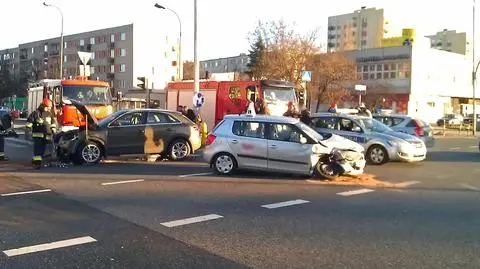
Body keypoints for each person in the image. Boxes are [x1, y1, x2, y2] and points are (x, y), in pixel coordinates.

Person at [26, 99, 57, 168]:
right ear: (44, 106)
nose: (50, 108)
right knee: (38, 149)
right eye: (49, 107)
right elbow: (29, 122)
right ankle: (37, 163)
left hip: (47, 135)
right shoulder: (36, 113)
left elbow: (53, 123)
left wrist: (54, 131)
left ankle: (36, 160)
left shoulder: (49, 114)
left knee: (43, 149)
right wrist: (28, 130)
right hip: (38, 135)